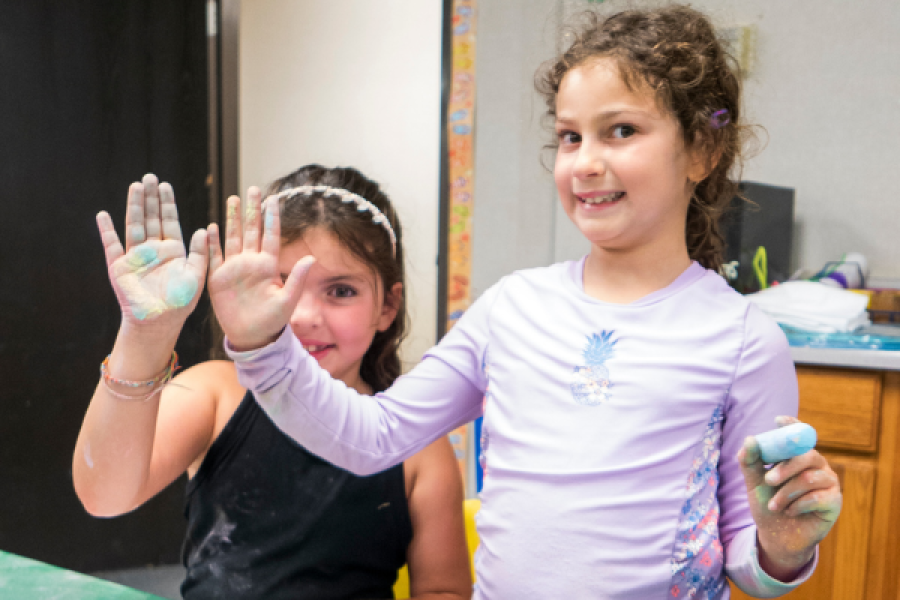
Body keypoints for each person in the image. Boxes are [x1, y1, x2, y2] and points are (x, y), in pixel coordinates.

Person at [204, 6, 843, 599]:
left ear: (701, 150)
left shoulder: (743, 340)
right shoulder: (511, 308)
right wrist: (264, 348)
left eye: (621, 130)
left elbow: (751, 565)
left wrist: (782, 550)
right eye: (570, 137)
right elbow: (375, 436)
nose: (586, 162)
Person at [73, 167, 473, 600]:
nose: (303, 315)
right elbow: (103, 495)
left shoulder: (418, 444)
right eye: (280, 282)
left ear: (387, 306)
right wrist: (145, 335)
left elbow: (443, 590)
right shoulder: (217, 393)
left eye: (340, 291)